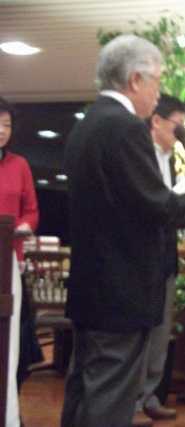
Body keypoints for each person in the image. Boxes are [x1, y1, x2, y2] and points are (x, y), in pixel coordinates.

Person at [60, 35, 185, 427]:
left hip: (93, 283)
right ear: (135, 79)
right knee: (110, 397)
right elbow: (155, 204)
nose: (158, 93)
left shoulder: (87, 125)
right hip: (120, 286)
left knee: (85, 389)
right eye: (157, 81)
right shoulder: (124, 127)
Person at [132, 95, 185, 423]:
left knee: (161, 332)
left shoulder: (170, 160)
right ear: (156, 121)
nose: (180, 134)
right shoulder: (141, 157)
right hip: (142, 261)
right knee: (142, 331)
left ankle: (150, 395)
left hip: (165, 255)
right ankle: (133, 402)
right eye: (177, 126)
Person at [0, 96, 43, 427]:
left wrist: (25, 226)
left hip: (7, 261)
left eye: (7, 124)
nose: (2, 131)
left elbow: (31, 210)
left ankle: (8, 414)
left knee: (8, 340)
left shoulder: (20, 165)